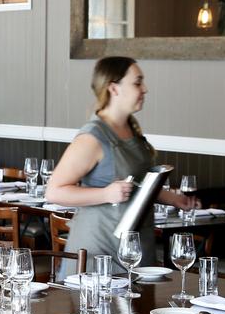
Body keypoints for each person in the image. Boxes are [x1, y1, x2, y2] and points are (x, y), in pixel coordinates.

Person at [45, 57, 195, 275]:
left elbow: (138, 184)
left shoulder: (131, 131)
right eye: (137, 83)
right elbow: (54, 191)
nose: (145, 89)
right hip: (100, 248)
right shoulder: (93, 137)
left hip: (137, 244)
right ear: (114, 88)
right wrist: (105, 194)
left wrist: (173, 199)